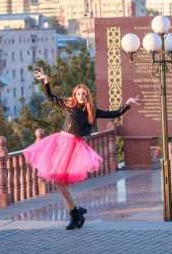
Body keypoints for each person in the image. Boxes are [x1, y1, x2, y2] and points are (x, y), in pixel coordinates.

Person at [23, 68, 140, 230]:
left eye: (83, 94)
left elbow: (114, 114)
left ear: (87, 96)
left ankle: (75, 213)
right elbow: (51, 97)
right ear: (75, 95)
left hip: (74, 147)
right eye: (78, 94)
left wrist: (127, 104)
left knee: (60, 182)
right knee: (58, 181)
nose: (81, 96)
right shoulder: (69, 105)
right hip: (61, 142)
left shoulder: (91, 110)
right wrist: (46, 81)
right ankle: (76, 212)